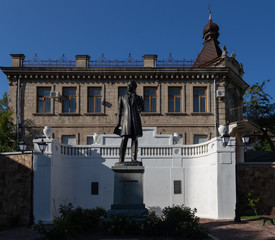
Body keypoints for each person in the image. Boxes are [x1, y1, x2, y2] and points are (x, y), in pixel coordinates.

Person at [114, 80, 144, 162]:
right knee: (124, 139)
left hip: (135, 120)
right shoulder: (122, 97)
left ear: (134, 87)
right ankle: (121, 159)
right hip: (126, 121)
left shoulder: (139, 98)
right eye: (127, 85)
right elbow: (119, 112)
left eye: (130, 85)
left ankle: (134, 159)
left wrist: (140, 109)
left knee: (135, 139)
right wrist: (118, 123)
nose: (128, 87)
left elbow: (142, 108)